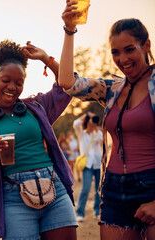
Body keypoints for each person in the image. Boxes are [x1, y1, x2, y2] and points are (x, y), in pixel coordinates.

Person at [59, 1, 155, 239]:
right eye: (115, 52)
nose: (122, 59)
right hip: (113, 189)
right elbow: (68, 82)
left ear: (146, 46)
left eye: (129, 49)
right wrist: (69, 30)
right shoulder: (112, 89)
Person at [0, 39, 77, 240]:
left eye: (19, 82)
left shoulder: (37, 106)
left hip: (54, 189)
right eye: (6, 80)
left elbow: (67, 86)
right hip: (13, 198)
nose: (12, 87)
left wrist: (45, 58)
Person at [73, 113, 102, 222]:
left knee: (99, 189)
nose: (92, 123)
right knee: (85, 189)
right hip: (87, 165)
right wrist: (86, 115)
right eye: (90, 121)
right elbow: (76, 124)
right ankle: (80, 213)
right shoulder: (82, 134)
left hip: (98, 164)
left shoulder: (99, 133)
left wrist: (98, 131)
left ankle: (97, 212)